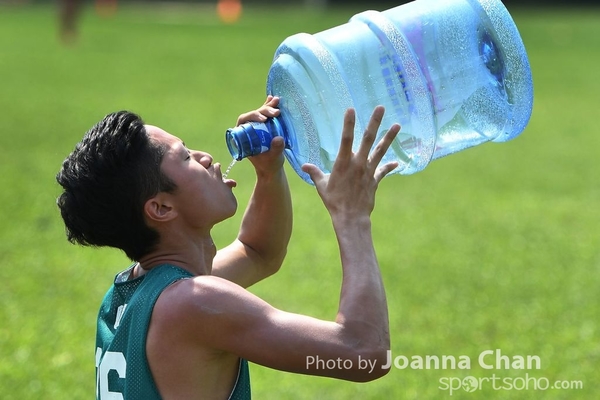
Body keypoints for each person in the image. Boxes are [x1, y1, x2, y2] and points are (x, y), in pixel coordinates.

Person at [56, 95, 401, 399]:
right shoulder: (191, 304)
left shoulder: (133, 294)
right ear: (161, 208)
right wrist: (352, 217)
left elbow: (258, 252)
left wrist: (268, 174)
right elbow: (364, 352)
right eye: (186, 157)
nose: (205, 156)